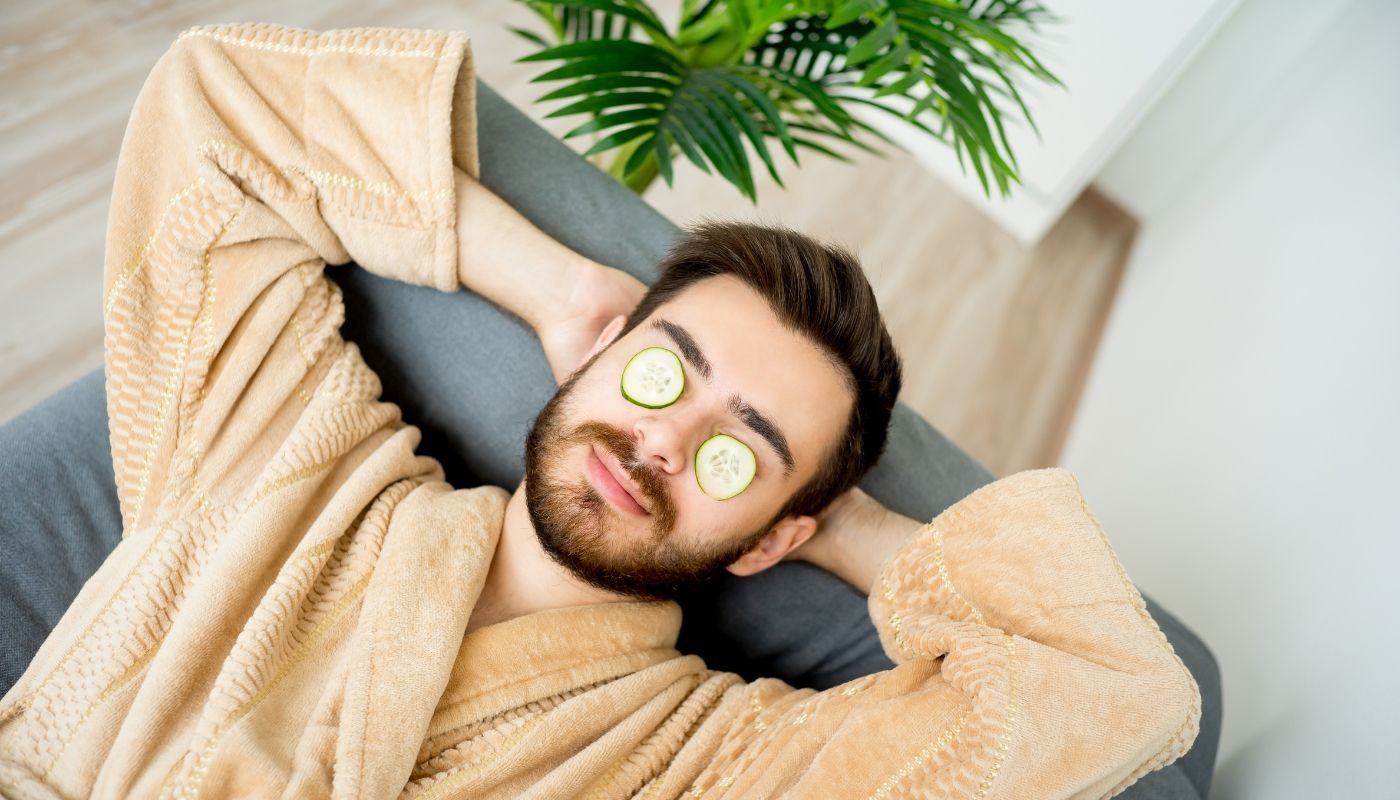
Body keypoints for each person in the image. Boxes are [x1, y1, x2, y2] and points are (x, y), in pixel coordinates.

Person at [0, 23, 1200, 798]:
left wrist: (840, 525)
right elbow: (218, 109)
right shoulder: (296, 454)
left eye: (741, 453)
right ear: (605, 352)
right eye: (663, 370)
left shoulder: (707, 760)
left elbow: (1111, 689)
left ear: (776, 533)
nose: (665, 436)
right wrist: (556, 285)